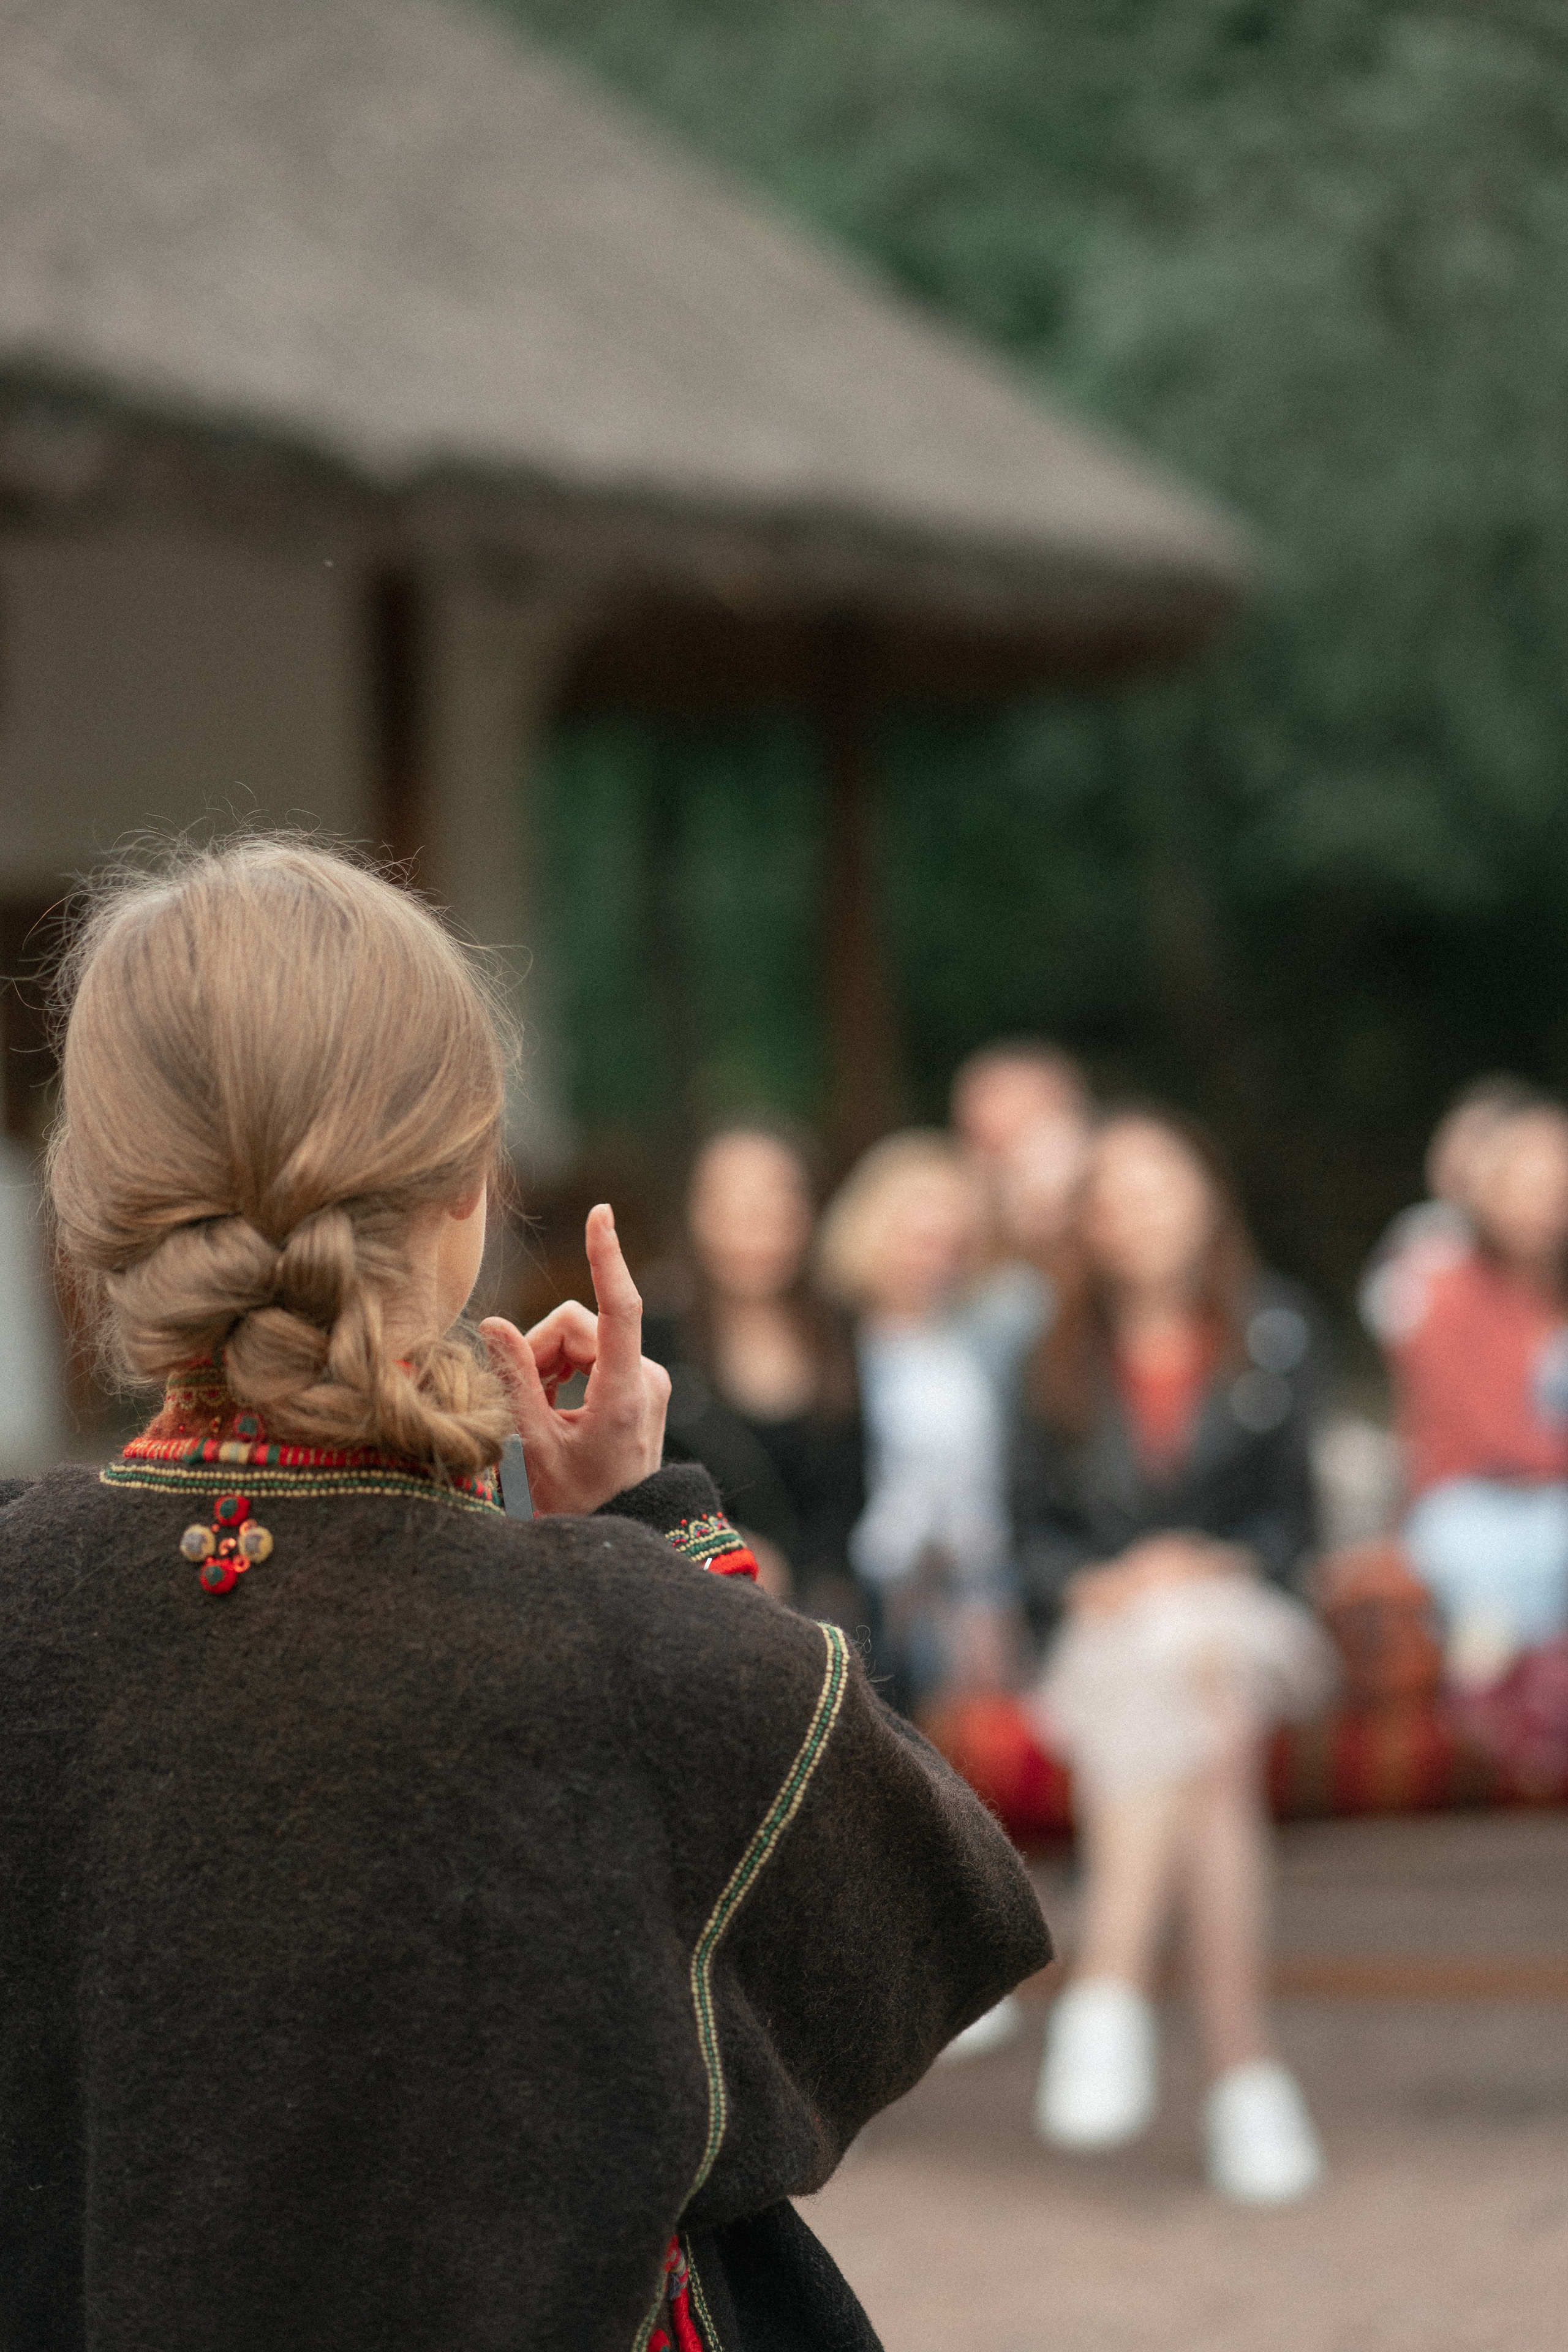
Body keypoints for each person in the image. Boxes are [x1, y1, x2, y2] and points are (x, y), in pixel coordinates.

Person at [0, 838, 1051, 2351]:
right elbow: (916, 1939)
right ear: (459, 1194)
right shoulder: (630, 1645)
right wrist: (649, 1527)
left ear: (96, 1201)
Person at [1013, 1109, 1337, 2204]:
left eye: (1158, 1187)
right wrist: (1104, 1582)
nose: (1138, 1215)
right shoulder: (1046, 1360)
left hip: (1249, 1620)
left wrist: (1204, 1564)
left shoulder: (1279, 1331)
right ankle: (1247, 2077)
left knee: (1193, 1643)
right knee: (1189, 1692)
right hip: (1108, 1644)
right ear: (1088, 1229)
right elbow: (1030, 1547)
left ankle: (1106, 1988)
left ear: (1206, 1195)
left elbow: (1298, 1530)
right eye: (1111, 1198)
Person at [643, 1123, 865, 1623]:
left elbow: (852, 1495)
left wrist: (805, 1570)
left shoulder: (841, 1332)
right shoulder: (654, 1340)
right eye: (733, 1200)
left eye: (779, 1197)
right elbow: (633, 1490)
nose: (757, 1220)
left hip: (822, 1616)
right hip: (692, 1608)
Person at [1384, 1096, 1568, 1687]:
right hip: (1472, 1506)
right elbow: (1487, 1433)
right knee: (1480, 1568)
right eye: (1526, 1183)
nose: (1544, 1202)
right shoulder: (1437, 1287)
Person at [1358, 1073, 1539, 1346]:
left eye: (1481, 1143)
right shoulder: (1423, 1232)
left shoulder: (1541, 1237)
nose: (1458, 1159)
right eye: (1451, 1140)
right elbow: (1387, 1317)